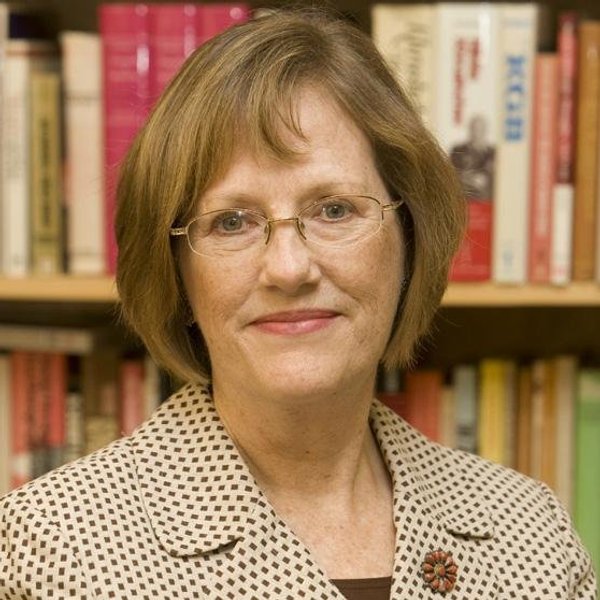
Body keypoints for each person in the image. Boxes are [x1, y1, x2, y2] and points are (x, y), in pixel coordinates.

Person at [0, 8, 596, 600]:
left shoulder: (531, 534)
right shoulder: (52, 548)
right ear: (177, 275)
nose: (288, 269)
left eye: (334, 210)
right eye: (231, 222)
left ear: (409, 240)